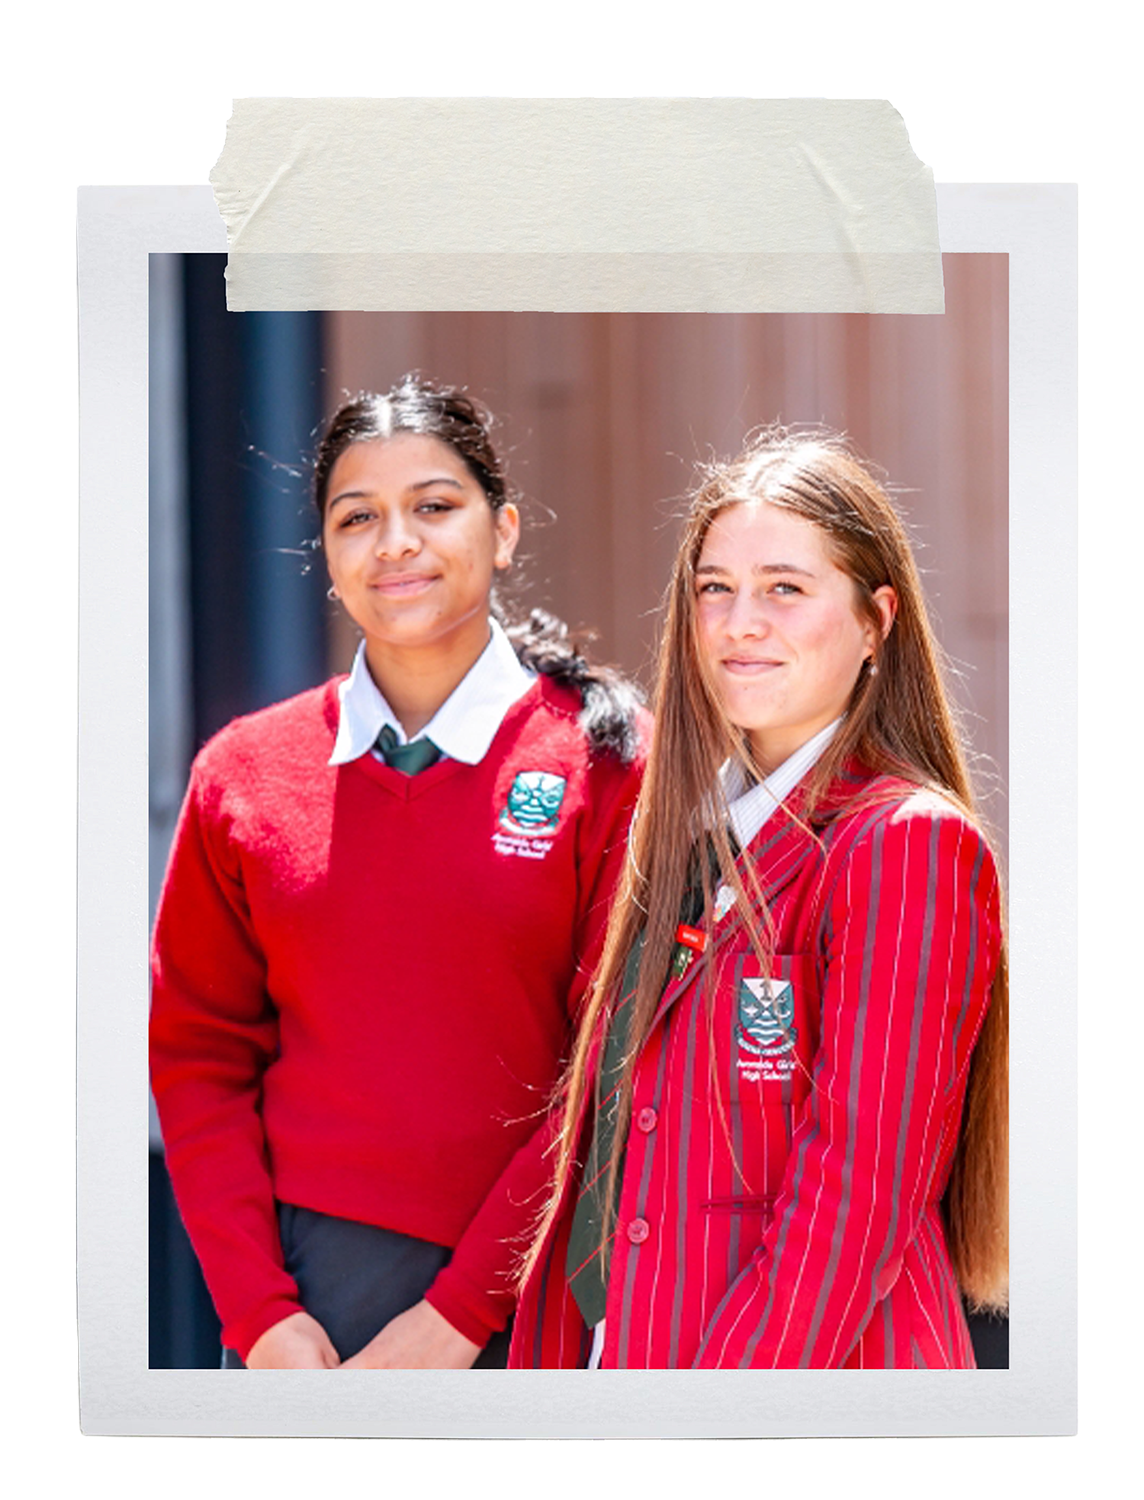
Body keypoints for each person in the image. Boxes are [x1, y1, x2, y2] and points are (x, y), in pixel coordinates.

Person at [149, 374, 648, 1369]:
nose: (396, 544)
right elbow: (198, 1059)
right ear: (327, 559)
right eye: (357, 518)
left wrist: (459, 1314)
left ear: (502, 531)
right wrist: (259, 1317)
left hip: (529, 1297)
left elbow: (615, 1068)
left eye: (433, 507)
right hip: (299, 1311)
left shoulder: (614, 761)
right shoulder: (241, 772)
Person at [511, 427, 1008, 1369]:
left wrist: (719, 1423)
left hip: (798, 1407)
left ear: (875, 622)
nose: (741, 621)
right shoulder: (683, 839)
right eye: (715, 589)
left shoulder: (906, 843)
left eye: (785, 587)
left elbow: (859, 1191)